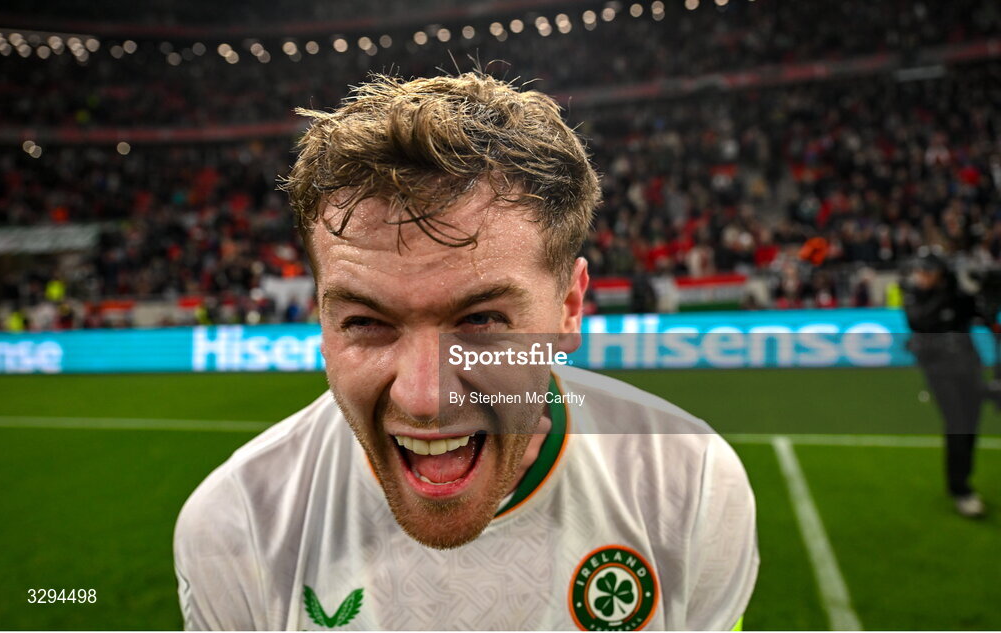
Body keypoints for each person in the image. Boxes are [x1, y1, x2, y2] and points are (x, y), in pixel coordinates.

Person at [174, 73, 758, 630]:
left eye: (481, 320)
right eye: (365, 322)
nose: (424, 397)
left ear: (568, 311)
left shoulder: (689, 485)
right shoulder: (237, 526)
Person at [902, 251, 993, 518]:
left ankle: (962, 479)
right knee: (957, 423)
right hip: (939, 369)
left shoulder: (958, 294)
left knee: (970, 423)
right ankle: (960, 489)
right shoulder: (916, 294)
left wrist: (977, 289)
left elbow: (983, 314)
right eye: (920, 271)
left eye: (926, 271)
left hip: (968, 364)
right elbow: (919, 321)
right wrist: (948, 292)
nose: (920, 276)